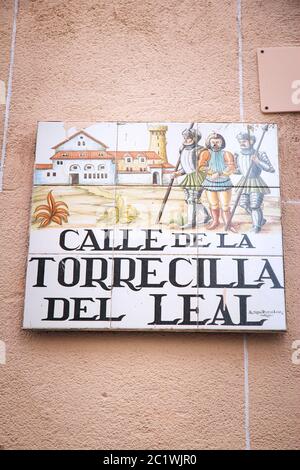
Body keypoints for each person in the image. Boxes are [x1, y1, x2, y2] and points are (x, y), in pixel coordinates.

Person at [234, 132, 275, 233]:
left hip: (256, 182)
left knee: (255, 205)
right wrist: (232, 168)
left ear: (251, 142)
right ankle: (260, 219)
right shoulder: (238, 154)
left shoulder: (259, 154)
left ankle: (256, 226)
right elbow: (239, 170)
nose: (242, 143)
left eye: (244, 141)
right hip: (244, 182)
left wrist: (258, 161)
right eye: (240, 142)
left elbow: (270, 169)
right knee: (243, 204)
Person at [198, 132, 237, 232]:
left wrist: (219, 173)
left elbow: (231, 167)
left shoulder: (227, 154)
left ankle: (228, 223)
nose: (215, 144)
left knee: (225, 205)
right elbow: (201, 166)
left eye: (218, 142)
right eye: (213, 142)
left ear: (222, 142)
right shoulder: (205, 153)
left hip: (224, 182)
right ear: (209, 143)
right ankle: (215, 221)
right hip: (210, 182)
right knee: (213, 204)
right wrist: (210, 173)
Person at [174, 127, 211, 228]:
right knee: (190, 200)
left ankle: (191, 222)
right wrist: (178, 173)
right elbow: (186, 167)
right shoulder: (183, 150)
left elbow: (204, 167)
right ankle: (207, 216)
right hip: (188, 178)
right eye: (184, 138)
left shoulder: (202, 151)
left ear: (195, 139)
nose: (185, 140)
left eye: (188, 138)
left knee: (192, 200)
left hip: (199, 178)